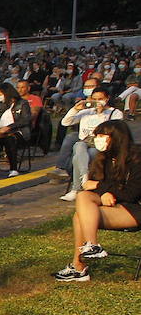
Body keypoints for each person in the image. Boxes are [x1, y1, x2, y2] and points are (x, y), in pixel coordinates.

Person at [52, 120, 141, 281]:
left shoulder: (137, 157)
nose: (98, 140)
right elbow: (88, 187)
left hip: (135, 209)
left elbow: (131, 194)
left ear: (116, 137)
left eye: (102, 135)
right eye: (97, 136)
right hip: (115, 205)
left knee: (79, 216)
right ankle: (92, 246)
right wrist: (104, 191)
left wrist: (102, 187)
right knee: (83, 198)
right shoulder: (103, 158)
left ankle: (79, 265)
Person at [59, 87, 126, 201]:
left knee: (77, 158)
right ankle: (85, 176)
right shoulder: (86, 112)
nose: (98, 101)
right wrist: (75, 109)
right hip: (85, 141)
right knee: (78, 146)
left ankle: (76, 189)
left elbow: (116, 131)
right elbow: (65, 122)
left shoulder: (115, 113)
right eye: (94, 99)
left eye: (101, 99)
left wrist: (101, 114)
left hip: (102, 144)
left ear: (107, 98)